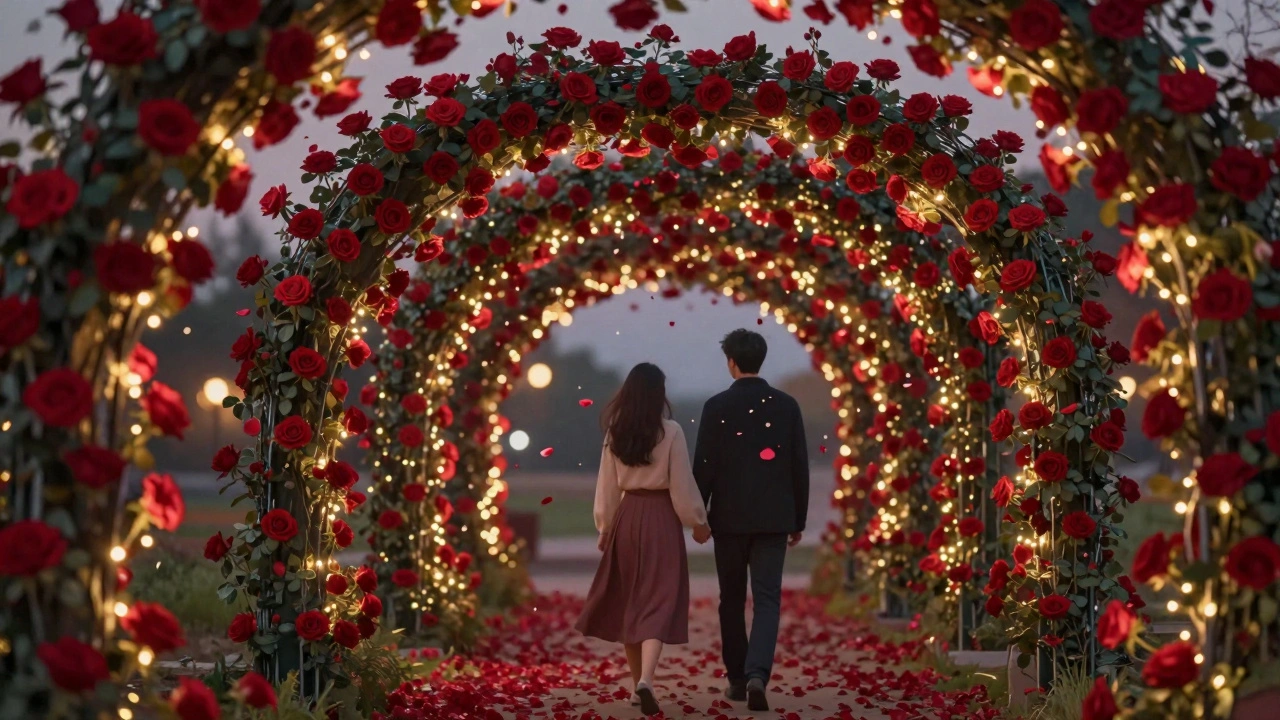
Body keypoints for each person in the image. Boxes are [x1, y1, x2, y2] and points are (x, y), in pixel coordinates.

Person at [575, 362, 713, 716]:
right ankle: (646, 681)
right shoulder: (671, 432)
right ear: (658, 395)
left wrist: (605, 527)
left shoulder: (615, 433)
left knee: (631, 602)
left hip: (627, 516)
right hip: (661, 518)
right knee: (659, 600)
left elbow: (606, 485)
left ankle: (638, 683)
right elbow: (681, 484)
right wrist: (697, 522)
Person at [693, 328, 809, 712]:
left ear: (731, 362)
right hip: (774, 518)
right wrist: (798, 519)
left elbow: (704, 467)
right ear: (760, 359)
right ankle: (759, 672)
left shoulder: (716, 407)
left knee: (731, 600)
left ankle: (738, 679)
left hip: (728, 519)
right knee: (767, 599)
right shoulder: (786, 406)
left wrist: (699, 514)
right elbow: (798, 466)